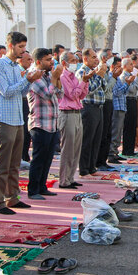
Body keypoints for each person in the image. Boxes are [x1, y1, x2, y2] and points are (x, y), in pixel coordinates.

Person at [0, 32, 43, 215]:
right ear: (10, 46)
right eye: (20, 47)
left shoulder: (14, 67)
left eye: (24, 47)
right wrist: (26, 80)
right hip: (3, 118)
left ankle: (12, 197)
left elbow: (20, 93)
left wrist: (29, 81)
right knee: (1, 164)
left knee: (14, 163)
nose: (22, 50)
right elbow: (5, 91)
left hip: (17, 118)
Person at [26, 48, 63, 199]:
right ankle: (33, 190)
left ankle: (42, 186)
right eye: (48, 60)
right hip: (40, 123)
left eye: (51, 59)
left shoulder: (48, 76)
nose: (51, 62)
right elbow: (48, 94)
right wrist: (54, 78)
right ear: (38, 62)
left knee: (48, 158)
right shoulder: (34, 77)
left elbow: (60, 94)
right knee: (38, 158)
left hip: (52, 123)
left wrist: (57, 78)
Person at [57, 52, 88, 188]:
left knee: (76, 148)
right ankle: (64, 180)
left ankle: (70, 177)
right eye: (72, 60)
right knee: (68, 148)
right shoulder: (62, 77)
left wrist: (85, 82)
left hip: (76, 112)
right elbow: (71, 94)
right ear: (64, 63)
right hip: (67, 113)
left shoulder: (74, 77)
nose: (75, 63)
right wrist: (82, 82)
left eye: (76, 60)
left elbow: (81, 95)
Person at [76, 48, 107, 176]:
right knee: (87, 139)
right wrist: (99, 76)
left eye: (96, 57)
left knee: (96, 139)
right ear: (85, 58)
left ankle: (92, 167)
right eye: (93, 57)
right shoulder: (82, 72)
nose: (96, 60)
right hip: (88, 107)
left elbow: (104, 86)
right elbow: (89, 90)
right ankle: (83, 169)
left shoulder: (95, 71)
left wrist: (101, 75)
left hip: (99, 107)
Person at [119, 56, 138, 158]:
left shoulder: (131, 75)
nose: (132, 66)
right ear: (124, 66)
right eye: (130, 64)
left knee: (133, 125)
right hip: (128, 100)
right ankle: (126, 150)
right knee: (128, 126)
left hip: (133, 100)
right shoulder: (124, 76)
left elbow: (137, 87)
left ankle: (131, 149)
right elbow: (132, 89)